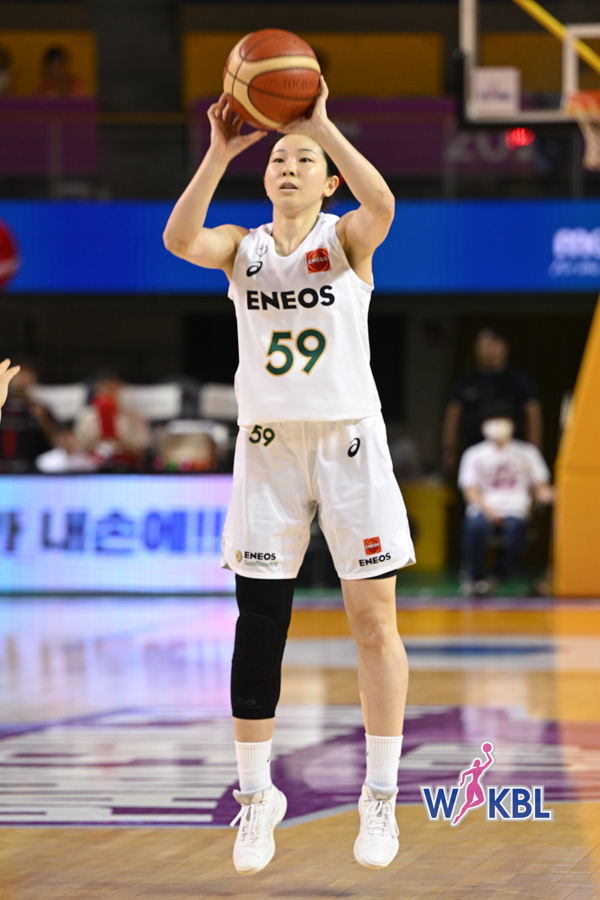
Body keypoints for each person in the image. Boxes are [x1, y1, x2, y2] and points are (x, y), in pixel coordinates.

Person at [164, 78, 415, 874]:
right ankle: (254, 799)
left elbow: (384, 205)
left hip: (348, 442)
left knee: (373, 621)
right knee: (260, 622)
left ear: (328, 179)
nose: (289, 167)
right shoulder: (242, 247)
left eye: (304, 160)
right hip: (269, 447)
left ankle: (380, 795)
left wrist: (323, 125)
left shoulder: (346, 239)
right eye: (279, 158)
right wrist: (218, 152)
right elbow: (178, 238)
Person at [458, 402, 554, 597]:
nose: (498, 425)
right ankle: (474, 579)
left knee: (518, 530)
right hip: (483, 510)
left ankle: (494, 578)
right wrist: (488, 511)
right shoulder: (474, 454)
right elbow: (469, 489)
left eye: (503, 419)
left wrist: (558, 495)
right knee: (474, 527)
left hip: (516, 510)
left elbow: (540, 487)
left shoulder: (527, 452)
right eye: (492, 419)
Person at [441, 326, 543, 473]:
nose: (487, 349)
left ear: (504, 346)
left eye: (492, 343)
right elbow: (453, 414)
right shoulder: (466, 380)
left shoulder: (518, 379)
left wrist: (534, 451)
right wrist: (448, 449)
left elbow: (533, 413)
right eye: (482, 344)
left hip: (512, 453)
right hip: (474, 449)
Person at [74, 370, 150, 472]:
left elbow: (142, 451)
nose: (108, 393)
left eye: (113, 388)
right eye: (104, 388)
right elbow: (80, 449)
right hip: (93, 469)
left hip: (127, 468)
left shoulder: (135, 416)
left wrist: (120, 442)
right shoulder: (85, 416)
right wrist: (99, 443)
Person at [0, 360, 56, 473]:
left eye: (26, 376)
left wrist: (43, 420)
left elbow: (55, 441)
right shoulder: (2, 407)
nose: (21, 380)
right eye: (18, 376)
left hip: (32, 471)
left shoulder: (40, 409)